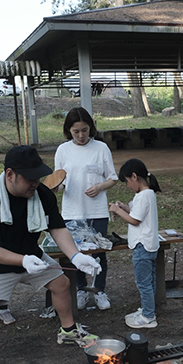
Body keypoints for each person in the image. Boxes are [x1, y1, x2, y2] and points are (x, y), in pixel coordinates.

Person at [0, 145, 101, 364]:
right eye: (30, 179)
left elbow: (57, 228)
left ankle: (68, 331)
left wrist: (76, 256)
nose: (35, 183)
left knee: (62, 284)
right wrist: (22, 260)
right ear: (10, 175)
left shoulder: (41, 194)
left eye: (38, 177)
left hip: (31, 256)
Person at [54, 107, 118, 311]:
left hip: (97, 211)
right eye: (76, 132)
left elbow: (113, 178)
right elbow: (59, 180)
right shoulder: (63, 150)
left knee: (100, 251)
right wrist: (57, 187)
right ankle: (81, 289)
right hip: (72, 211)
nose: (81, 135)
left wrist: (100, 186)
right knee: (76, 253)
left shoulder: (101, 148)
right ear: (68, 131)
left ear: (91, 128)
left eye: (85, 130)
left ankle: (99, 290)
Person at [109, 158, 161, 329]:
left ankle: (148, 317)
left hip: (141, 246)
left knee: (143, 283)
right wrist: (124, 207)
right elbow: (136, 213)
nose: (127, 186)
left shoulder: (143, 195)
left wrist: (116, 210)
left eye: (126, 182)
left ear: (134, 176)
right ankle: (148, 310)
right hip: (150, 245)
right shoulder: (148, 193)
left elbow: (135, 220)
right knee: (149, 281)